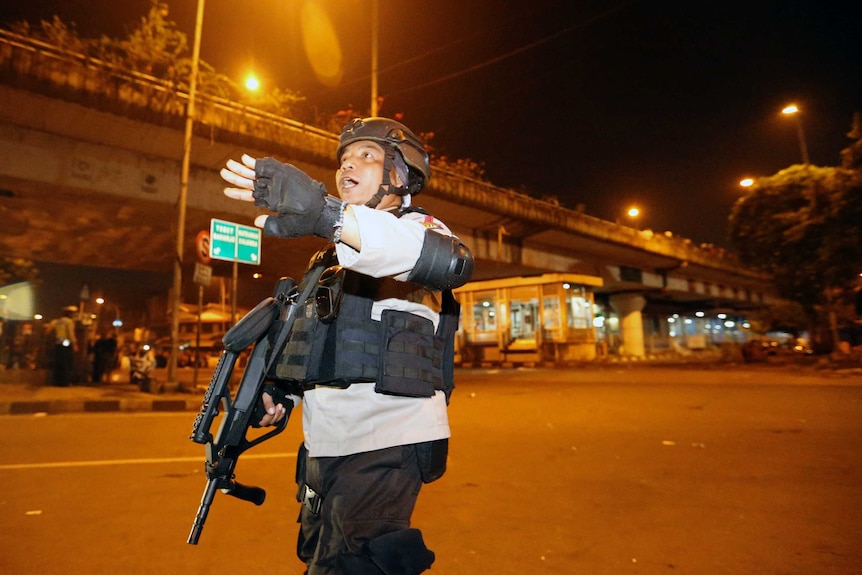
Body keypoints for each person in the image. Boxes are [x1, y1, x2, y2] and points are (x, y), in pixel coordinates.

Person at [220, 117, 474, 574]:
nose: (348, 166)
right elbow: (316, 346)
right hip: (324, 445)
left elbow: (448, 261)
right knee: (319, 559)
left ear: (401, 175)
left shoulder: (417, 227)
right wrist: (277, 395)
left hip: (386, 442)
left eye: (367, 156)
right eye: (344, 159)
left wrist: (327, 213)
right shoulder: (329, 260)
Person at [50, 305, 78, 386]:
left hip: (58, 343)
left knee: (58, 363)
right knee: (67, 363)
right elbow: (71, 334)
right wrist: (75, 344)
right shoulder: (69, 322)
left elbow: (49, 330)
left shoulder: (57, 321)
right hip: (66, 344)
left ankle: (57, 382)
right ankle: (65, 382)